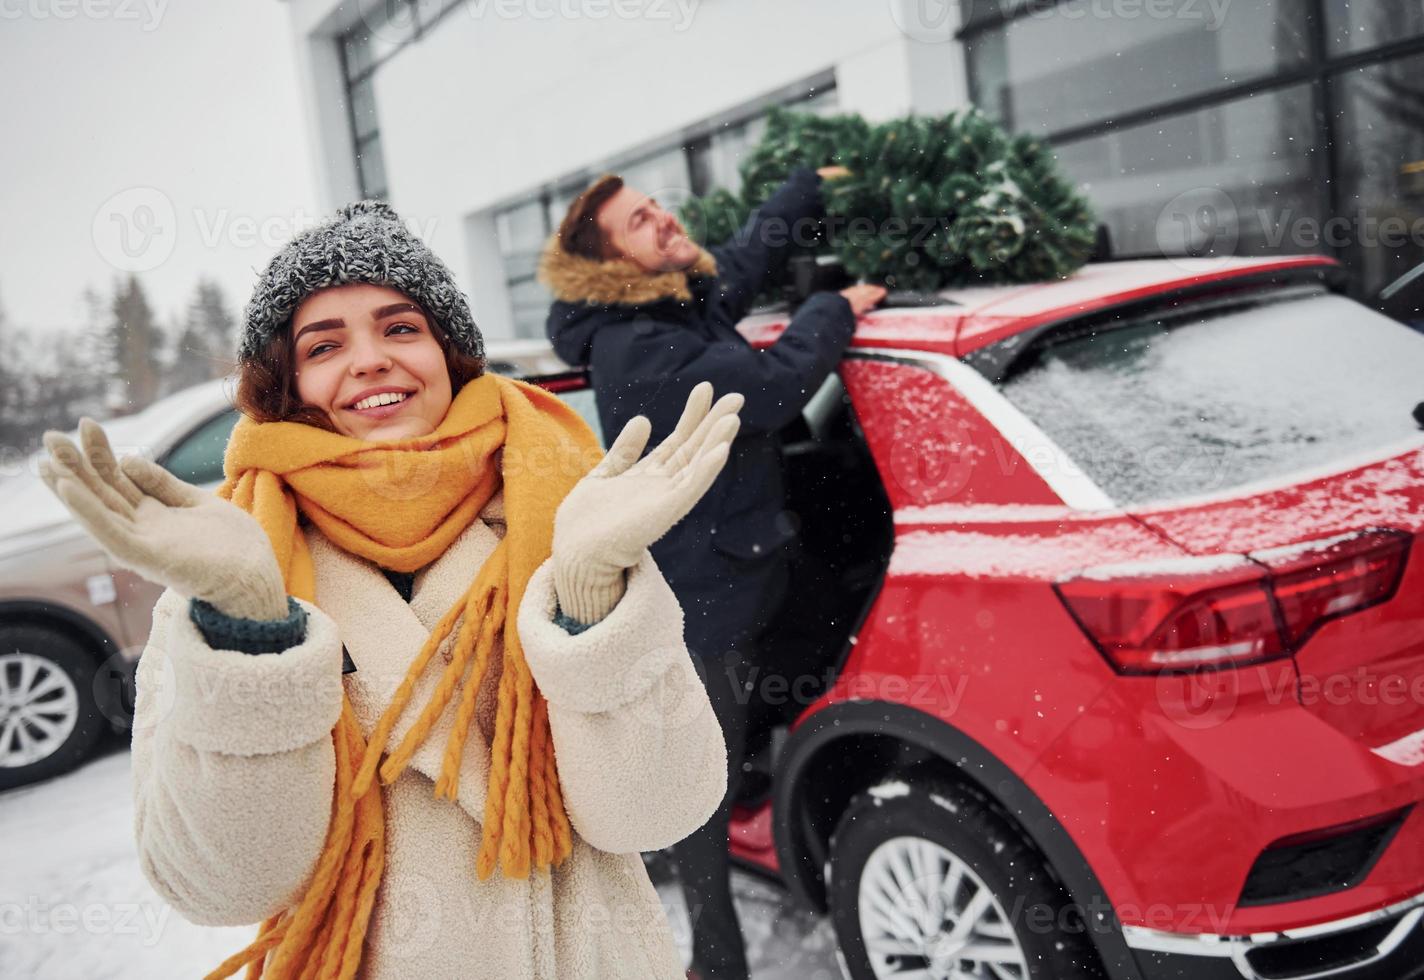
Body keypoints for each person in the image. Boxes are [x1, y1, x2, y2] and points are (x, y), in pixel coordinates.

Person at [39, 200, 744, 980]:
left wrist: (588, 597)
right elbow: (221, 888)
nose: (370, 359)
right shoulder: (233, 575)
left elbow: (660, 811)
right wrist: (249, 626)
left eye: (400, 328)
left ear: (451, 354)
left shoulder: (563, 522)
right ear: (288, 382)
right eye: (325, 344)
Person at [541, 167, 885, 980]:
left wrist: (809, 187)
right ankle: (716, 958)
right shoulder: (640, 344)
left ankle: (782, 784)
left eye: (655, 206)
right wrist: (836, 308)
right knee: (706, 787)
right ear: (613, 263)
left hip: (754, 562)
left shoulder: (670, 301)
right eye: (637, 221)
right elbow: (772, 390)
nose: (661, 220)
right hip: (706, 602)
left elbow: (743, 257)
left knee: (793, 683)